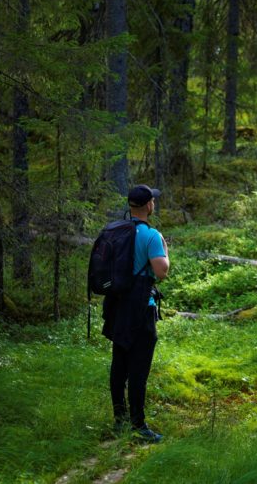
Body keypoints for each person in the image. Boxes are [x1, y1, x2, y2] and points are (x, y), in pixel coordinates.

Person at [103, 184, 169, 443]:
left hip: (117, 306)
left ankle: (120, 421)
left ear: (131, 205)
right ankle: (139, 426)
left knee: (119, 365)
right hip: (141, 308)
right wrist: (165, 248)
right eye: (153, 200)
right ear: (148, 205)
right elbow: (161, 272)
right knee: (139, 369)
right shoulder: (151, 235)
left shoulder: (117, 231)